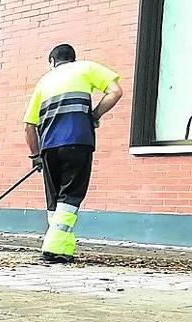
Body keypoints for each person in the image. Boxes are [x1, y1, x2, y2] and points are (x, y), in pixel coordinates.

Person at [23, 44, 122, 264]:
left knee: (54, 198)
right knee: (70, 195)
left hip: (48, 146)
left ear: (52, 62)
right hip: (78, 141)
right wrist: (93, 115)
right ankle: (53, 248)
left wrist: (36, 157)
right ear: (73, 59)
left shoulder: (44, 81)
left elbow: (29, 126)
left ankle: (62, 249)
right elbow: (115, 91)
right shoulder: (86, 68)